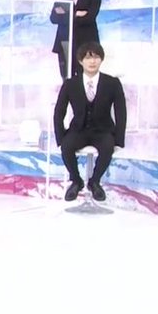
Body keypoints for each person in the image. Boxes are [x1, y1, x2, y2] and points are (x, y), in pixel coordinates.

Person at [53, 42, 126, 202]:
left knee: (108, 147)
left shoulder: (112, 83)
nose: (92, 61)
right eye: (87, 58)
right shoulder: (70, 84)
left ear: (101, 60)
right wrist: (60, 136)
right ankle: (76, 181)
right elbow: (59, 111)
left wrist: (119, 139)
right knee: (67, 146)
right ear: (80, 61)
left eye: (96, 57)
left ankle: (95, 181)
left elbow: (121, 112)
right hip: (78, 129)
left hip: (103, 130)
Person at [50, 0, 102, 81]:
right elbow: (54, 18)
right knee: (66, 79)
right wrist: (76, 14)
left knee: (84, 78)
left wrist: (66, 15)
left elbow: (89, 18)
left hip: (86, 42)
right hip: (65, 42)